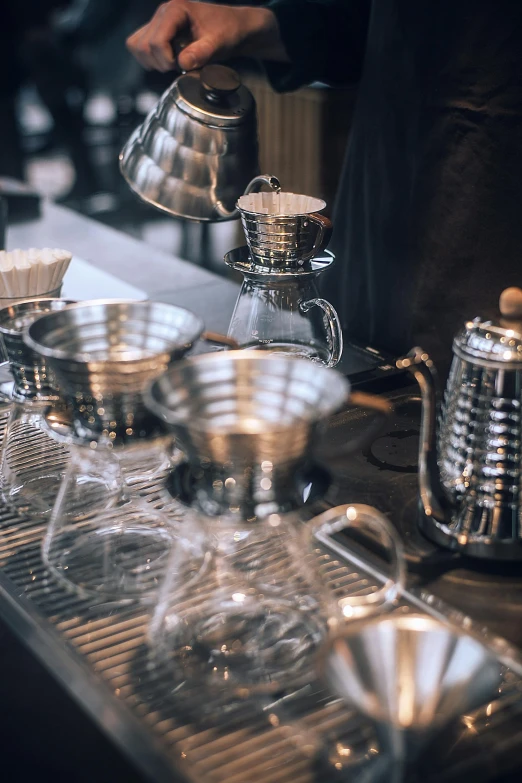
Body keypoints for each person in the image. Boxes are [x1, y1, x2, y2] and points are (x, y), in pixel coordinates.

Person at [127, 1, 522, 376]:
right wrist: (257, 24)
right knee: (369, 376)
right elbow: (356, 27)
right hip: (382, 183)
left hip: (494, 204)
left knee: (483, 382)